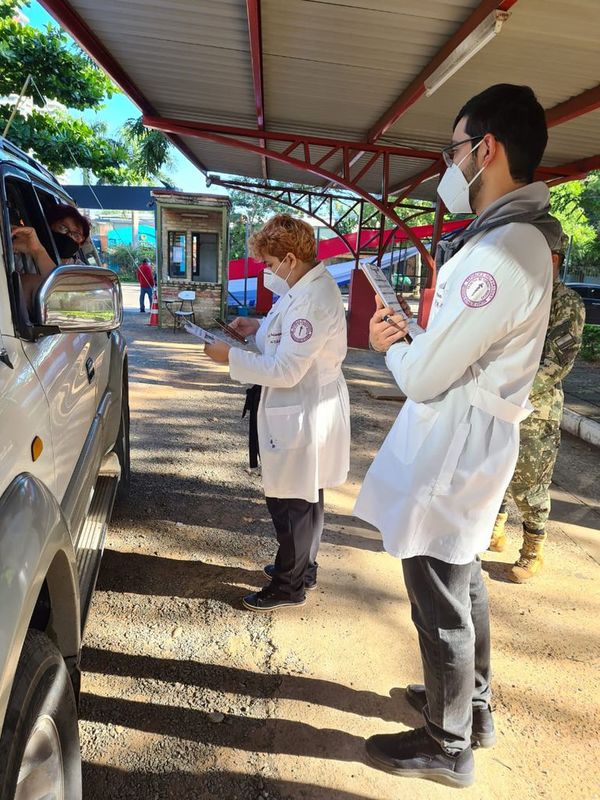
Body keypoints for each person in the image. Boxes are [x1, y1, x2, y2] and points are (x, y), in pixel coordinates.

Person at [353, 84, 561, 788]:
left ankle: (447, 745)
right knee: (462, 573)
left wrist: (393, 345)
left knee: (438, 589)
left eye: (454, 150)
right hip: (471, 437)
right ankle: (470, 707)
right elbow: (454, 349)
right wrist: (420, 336)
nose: (450, 165)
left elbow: (424, 377)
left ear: (486, 150)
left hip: (456, 444)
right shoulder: (515, 241)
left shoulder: (504, 251)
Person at [202, 214, 350, 611]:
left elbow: (287, 368)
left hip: (301, 406)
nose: (266, 271)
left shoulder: (313, 300)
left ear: (288, 257)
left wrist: (228, 356)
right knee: (306, 492)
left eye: (268, 264)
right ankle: (302, 567)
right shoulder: (305, 287)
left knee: (291, 500)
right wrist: (257, 326)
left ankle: (289, 584)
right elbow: (286, 330)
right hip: (303, 404)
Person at [489, 235, 585, 581]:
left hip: (536, 408)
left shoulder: (566, 302)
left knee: (529, 481)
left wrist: (515, 393)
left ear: (554, 260)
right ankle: (493, 532)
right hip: (501, 399)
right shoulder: (523, 297)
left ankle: (533, 550)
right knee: (496, 469)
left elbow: (559, 359)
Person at [12, 203, 90, 310]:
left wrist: (38, 251)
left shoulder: (81, 271)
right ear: (48, 228)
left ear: (81, 244)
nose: (68, 236)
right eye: (63, 228)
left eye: (76, 235)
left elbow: (67, 298)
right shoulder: (20, 258)